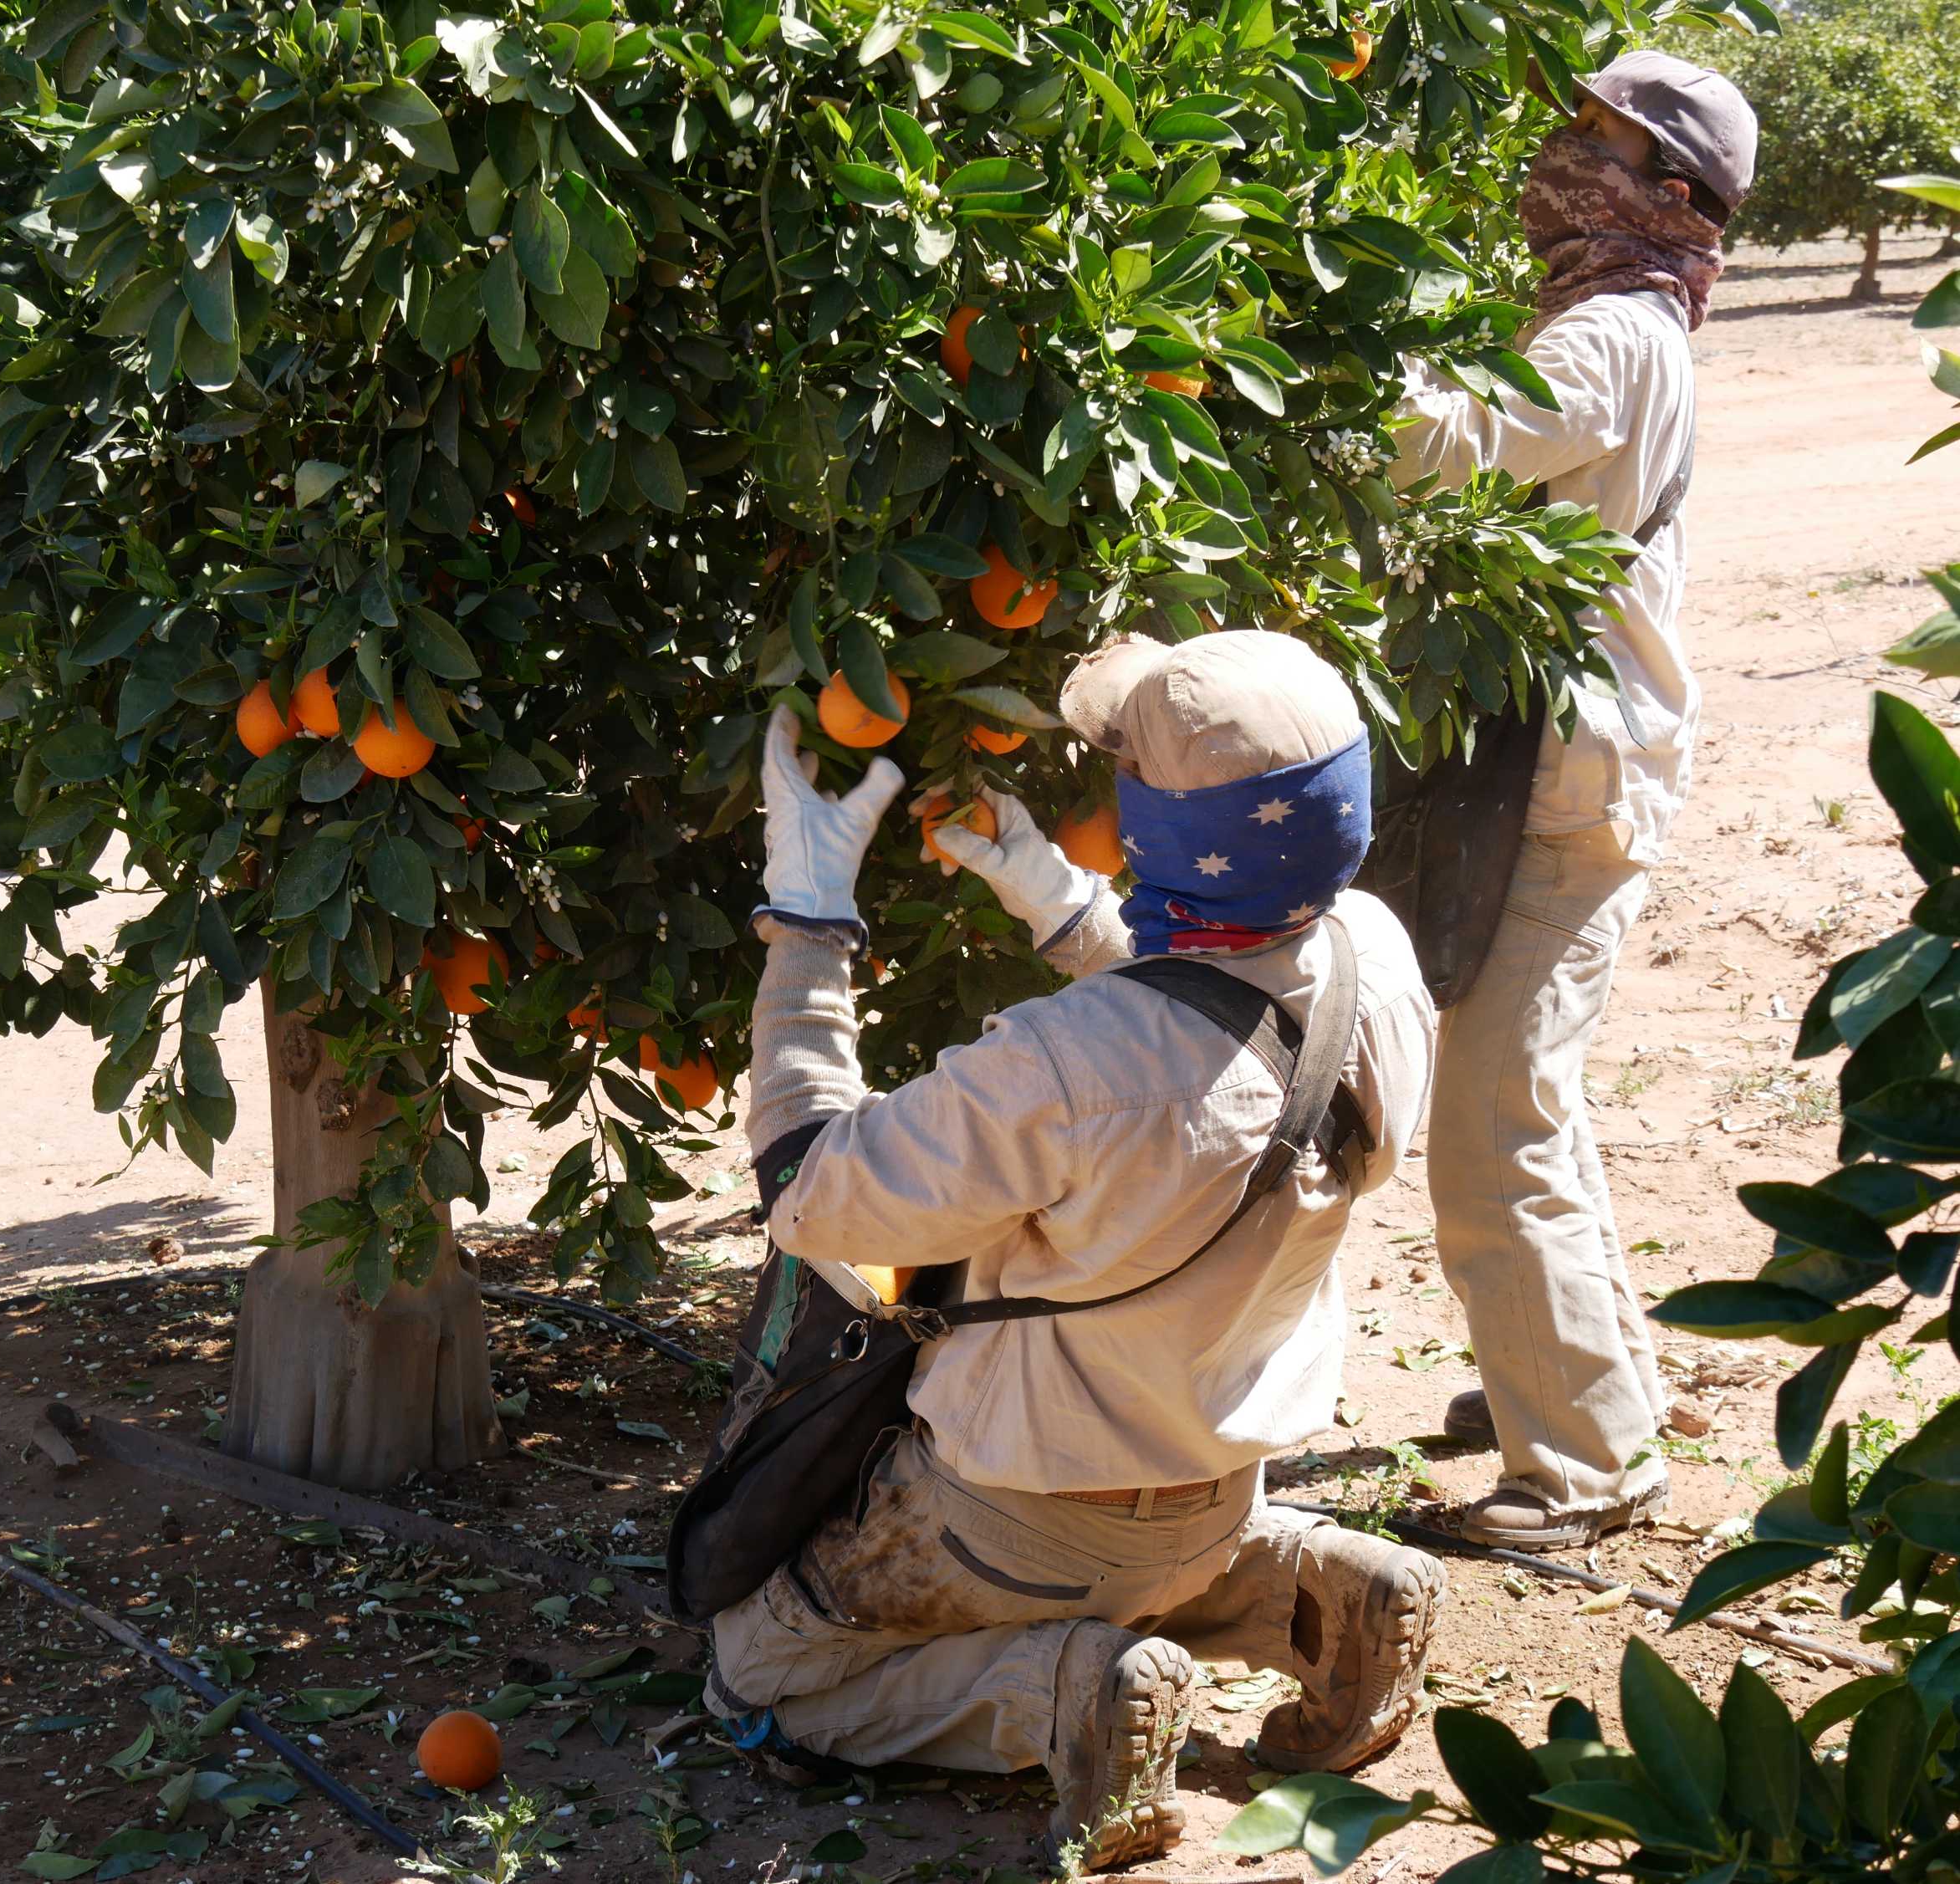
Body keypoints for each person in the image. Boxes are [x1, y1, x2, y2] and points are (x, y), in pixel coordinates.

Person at [709, 631, 1442, 1869]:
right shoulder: (1380, 963)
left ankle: (1060, 1694)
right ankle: (1317, 1588)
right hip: (1217, 1487)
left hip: (1013, 1517)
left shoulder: (1060, 1063)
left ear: (1162, 830)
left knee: (762, 1667)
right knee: (1148, 1560)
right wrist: (1060, 902)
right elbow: (1215, 1031)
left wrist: (809, 921)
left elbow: (812, 1189)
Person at [1386, 51, 1758, 1550]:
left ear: (1671, 196)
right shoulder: (1609, 320)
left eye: (1593, 143)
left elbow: (1437, 440)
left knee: (1493, 1120)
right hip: (1568, 765)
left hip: (1570, 785)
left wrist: (1274, 369)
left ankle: (1588, 1468)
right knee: (1522, 1095)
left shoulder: (1609, 335)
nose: (1555, 159)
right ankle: (1556, 1367)